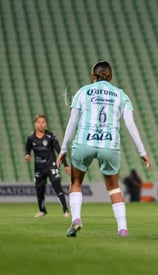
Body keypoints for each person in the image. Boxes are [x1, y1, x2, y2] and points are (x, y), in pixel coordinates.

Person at [56, 61, 151, 237]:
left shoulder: (83, 92)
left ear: (93, 76)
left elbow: (73, 122)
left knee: (76, 183)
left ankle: (76, 219)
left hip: (84, 142)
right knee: (113, 187)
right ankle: (122, 229)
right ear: (111, 76)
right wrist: (142, 151)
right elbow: (131, 124)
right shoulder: (121, 95)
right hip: (109, 145)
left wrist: (63, 149)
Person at [25, 115, 71, 218]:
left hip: (51, 166)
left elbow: (60, 151)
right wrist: (27, 155)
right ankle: (42, 210)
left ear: (46, 124)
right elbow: (27, 148)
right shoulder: (31, 137)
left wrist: (66, 165)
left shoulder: (50, 136)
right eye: (39, 122)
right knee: (39, 190)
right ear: (35, 124)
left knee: (58, 188)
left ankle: (65, 211)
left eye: (43, 122)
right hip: (39, 168)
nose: (41, 124)